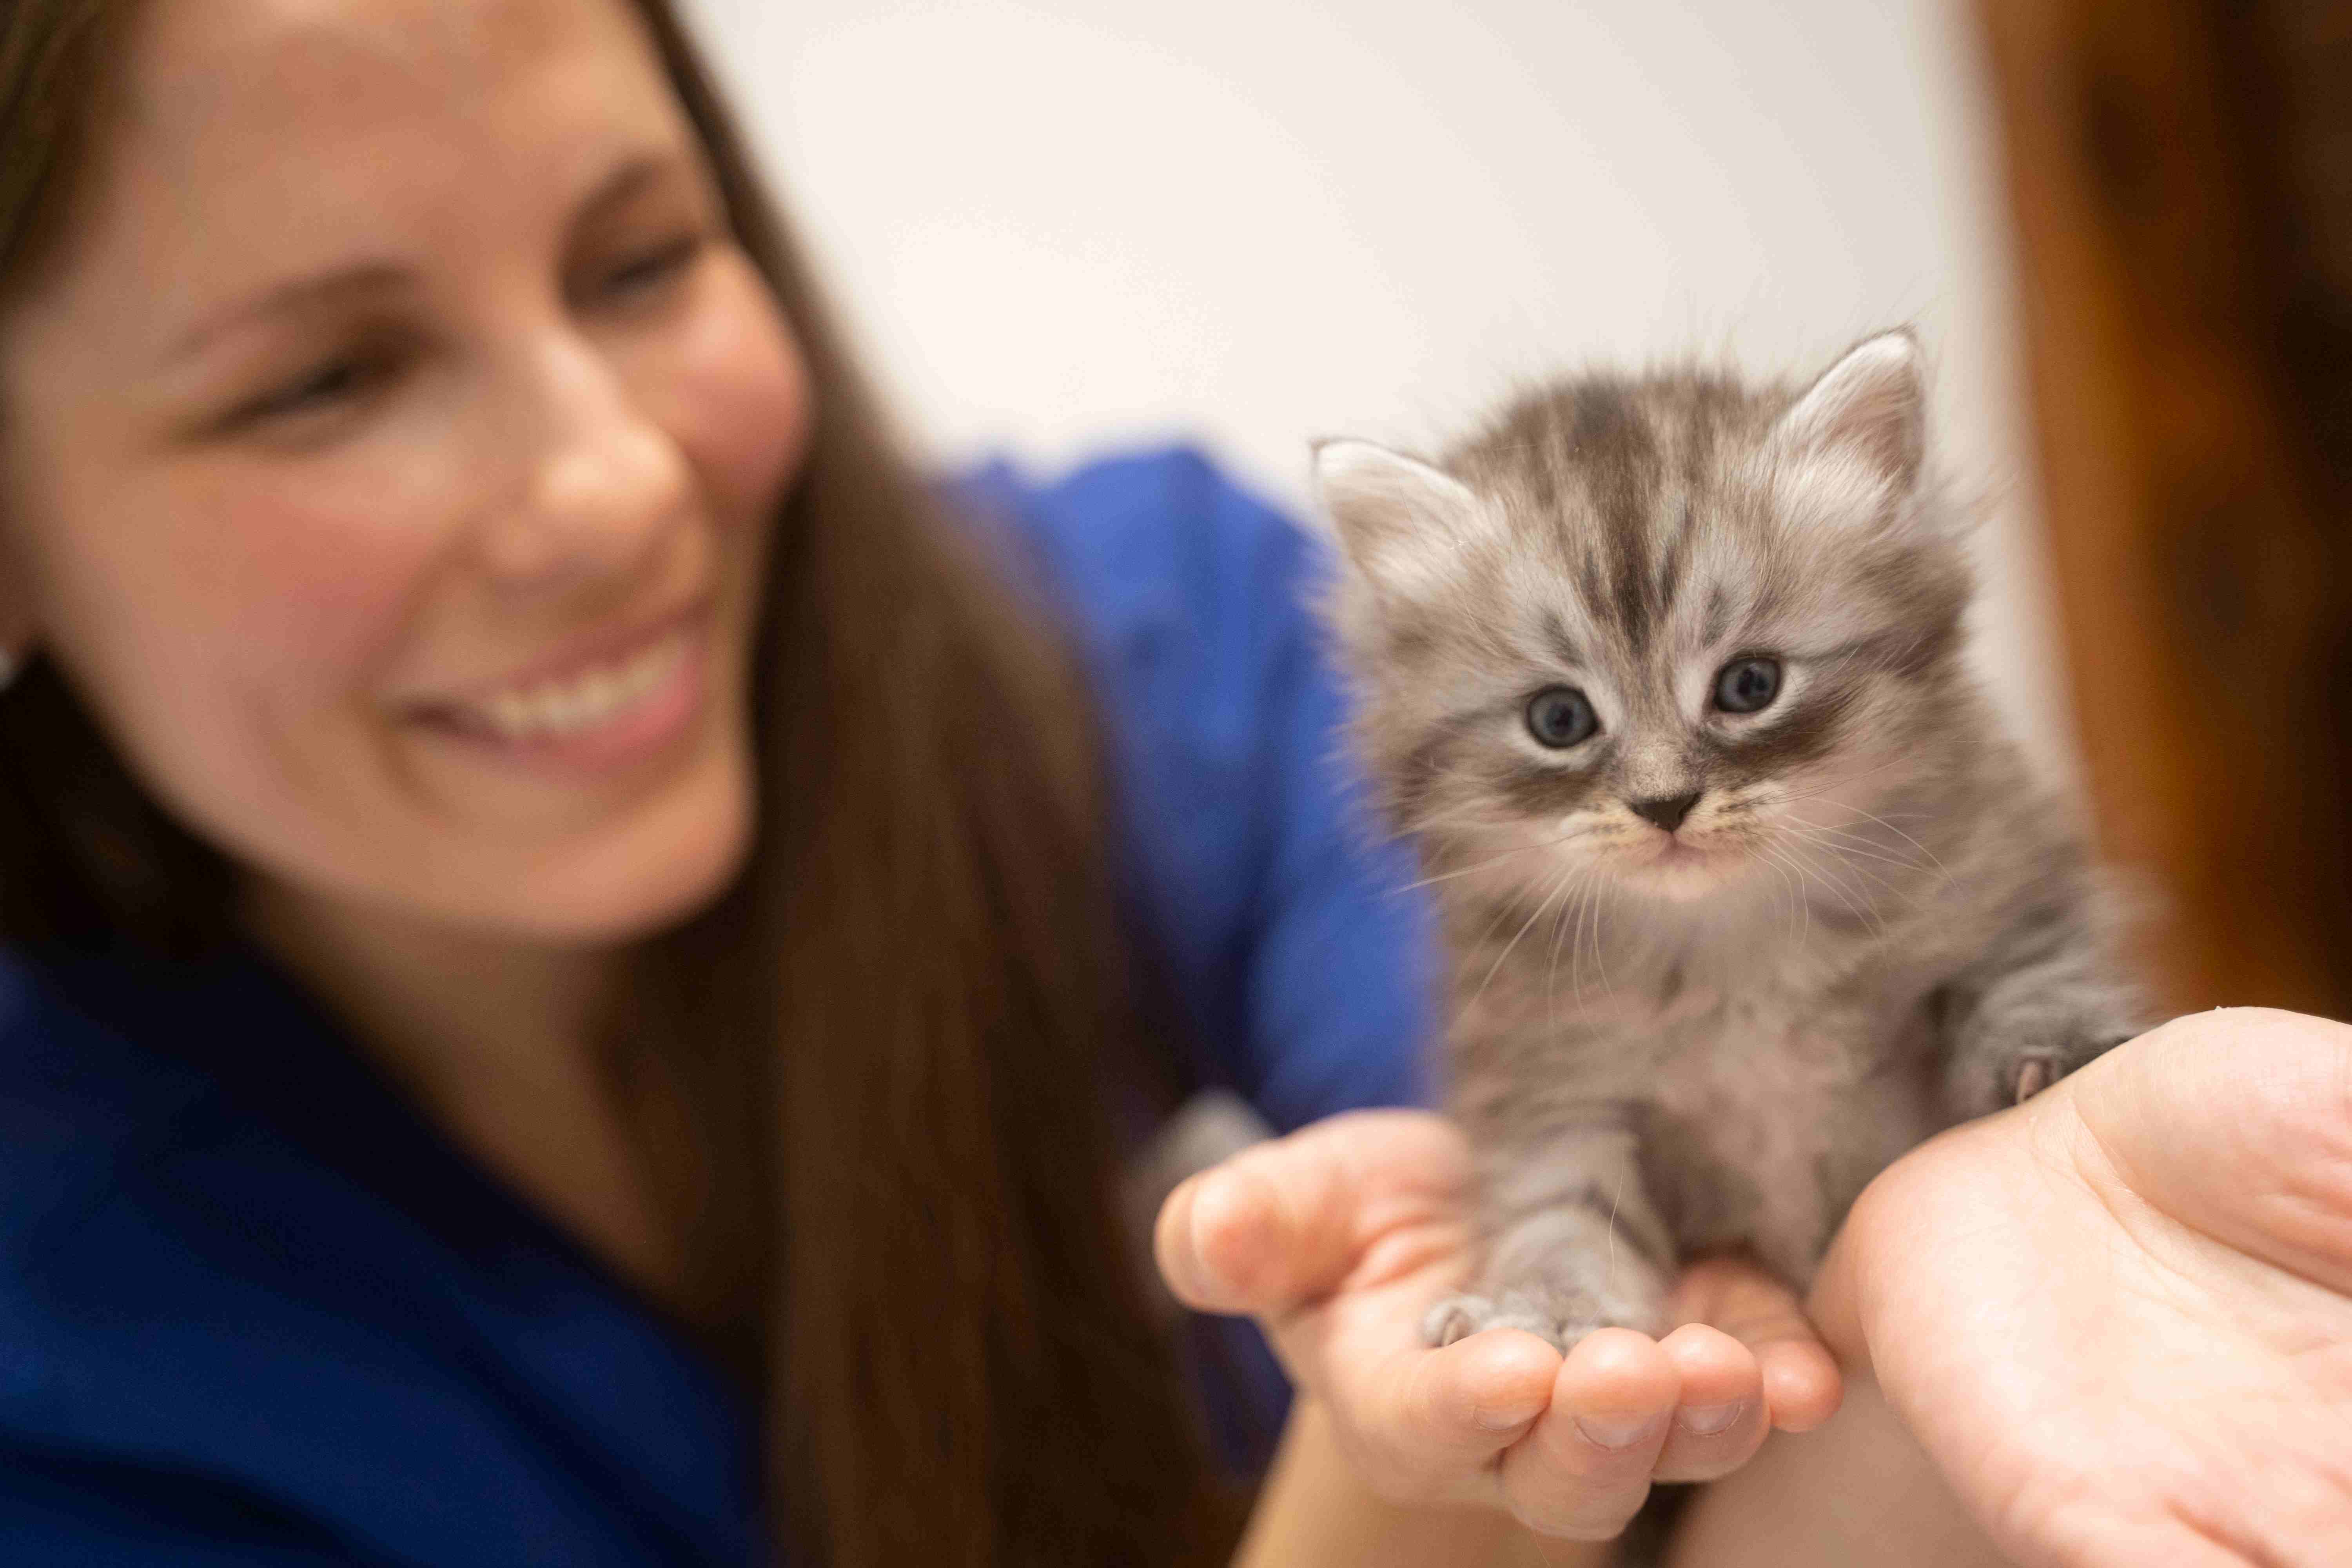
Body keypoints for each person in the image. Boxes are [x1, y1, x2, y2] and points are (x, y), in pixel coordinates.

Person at [2, 3, 2347, 1566]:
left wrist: (1961, 1256)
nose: (612, 487)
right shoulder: (68, 1333)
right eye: (325, 380)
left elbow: (1703, 1398)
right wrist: (1382, 1491)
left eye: (639, 259)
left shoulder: (1144, 646)